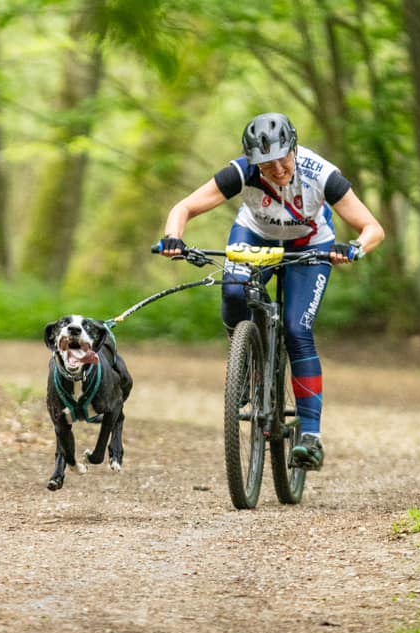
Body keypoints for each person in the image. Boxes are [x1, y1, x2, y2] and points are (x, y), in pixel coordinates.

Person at [158, 112, 384, 471]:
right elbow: (183, 207)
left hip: (310, 245)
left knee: (297, 329)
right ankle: (244, 360)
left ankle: (310, 437)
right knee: (234, 291)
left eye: (283, 159)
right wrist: (174, 237)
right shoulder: (241, 172)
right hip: (255, 237)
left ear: (294, 148)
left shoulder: (321, 173)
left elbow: (372, 227)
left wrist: (354, 248)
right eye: (266, 165)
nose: (278, 170)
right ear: (253, 162)